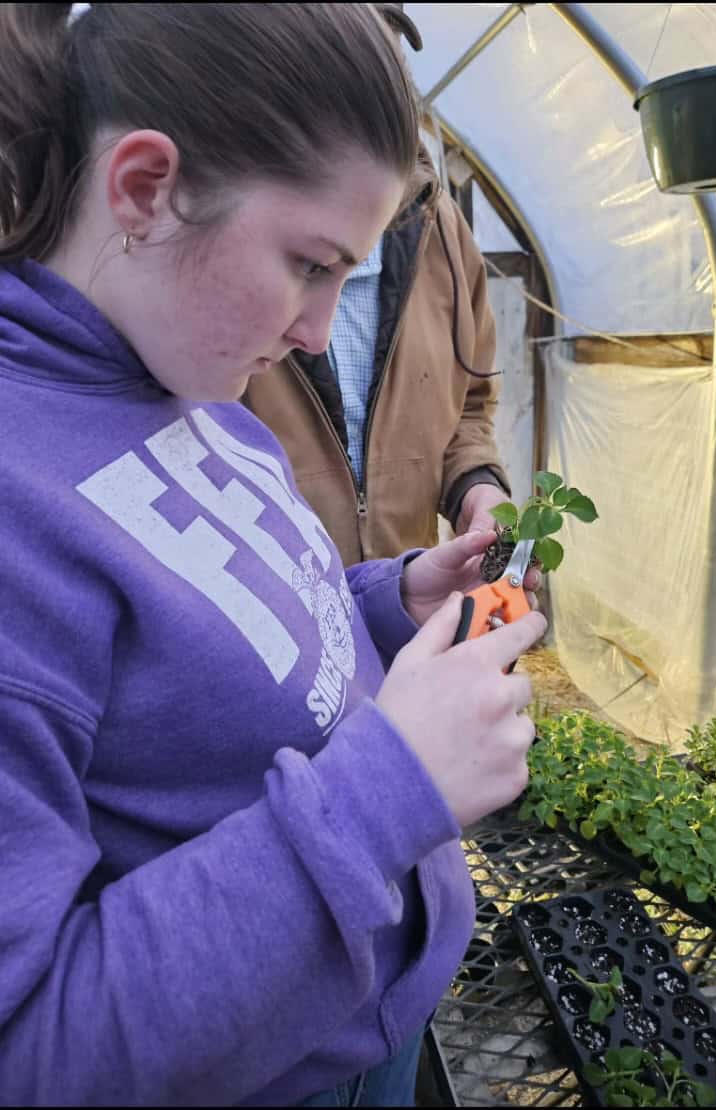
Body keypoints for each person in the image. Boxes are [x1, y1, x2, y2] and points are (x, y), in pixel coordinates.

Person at [0, 4, 547, 1107]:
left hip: (365, 1026)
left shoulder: (197, 394)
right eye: (310, 262)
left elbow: (217, 632)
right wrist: (395, 787)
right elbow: (33, 1051)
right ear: (146, 187)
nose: (313, 329)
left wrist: (390, 600)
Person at [244, 5, 513, 566]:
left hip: (409, 591)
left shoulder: (441, 231)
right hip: (278, 608)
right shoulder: (236, 229)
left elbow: (469, 406)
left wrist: (476, 489)